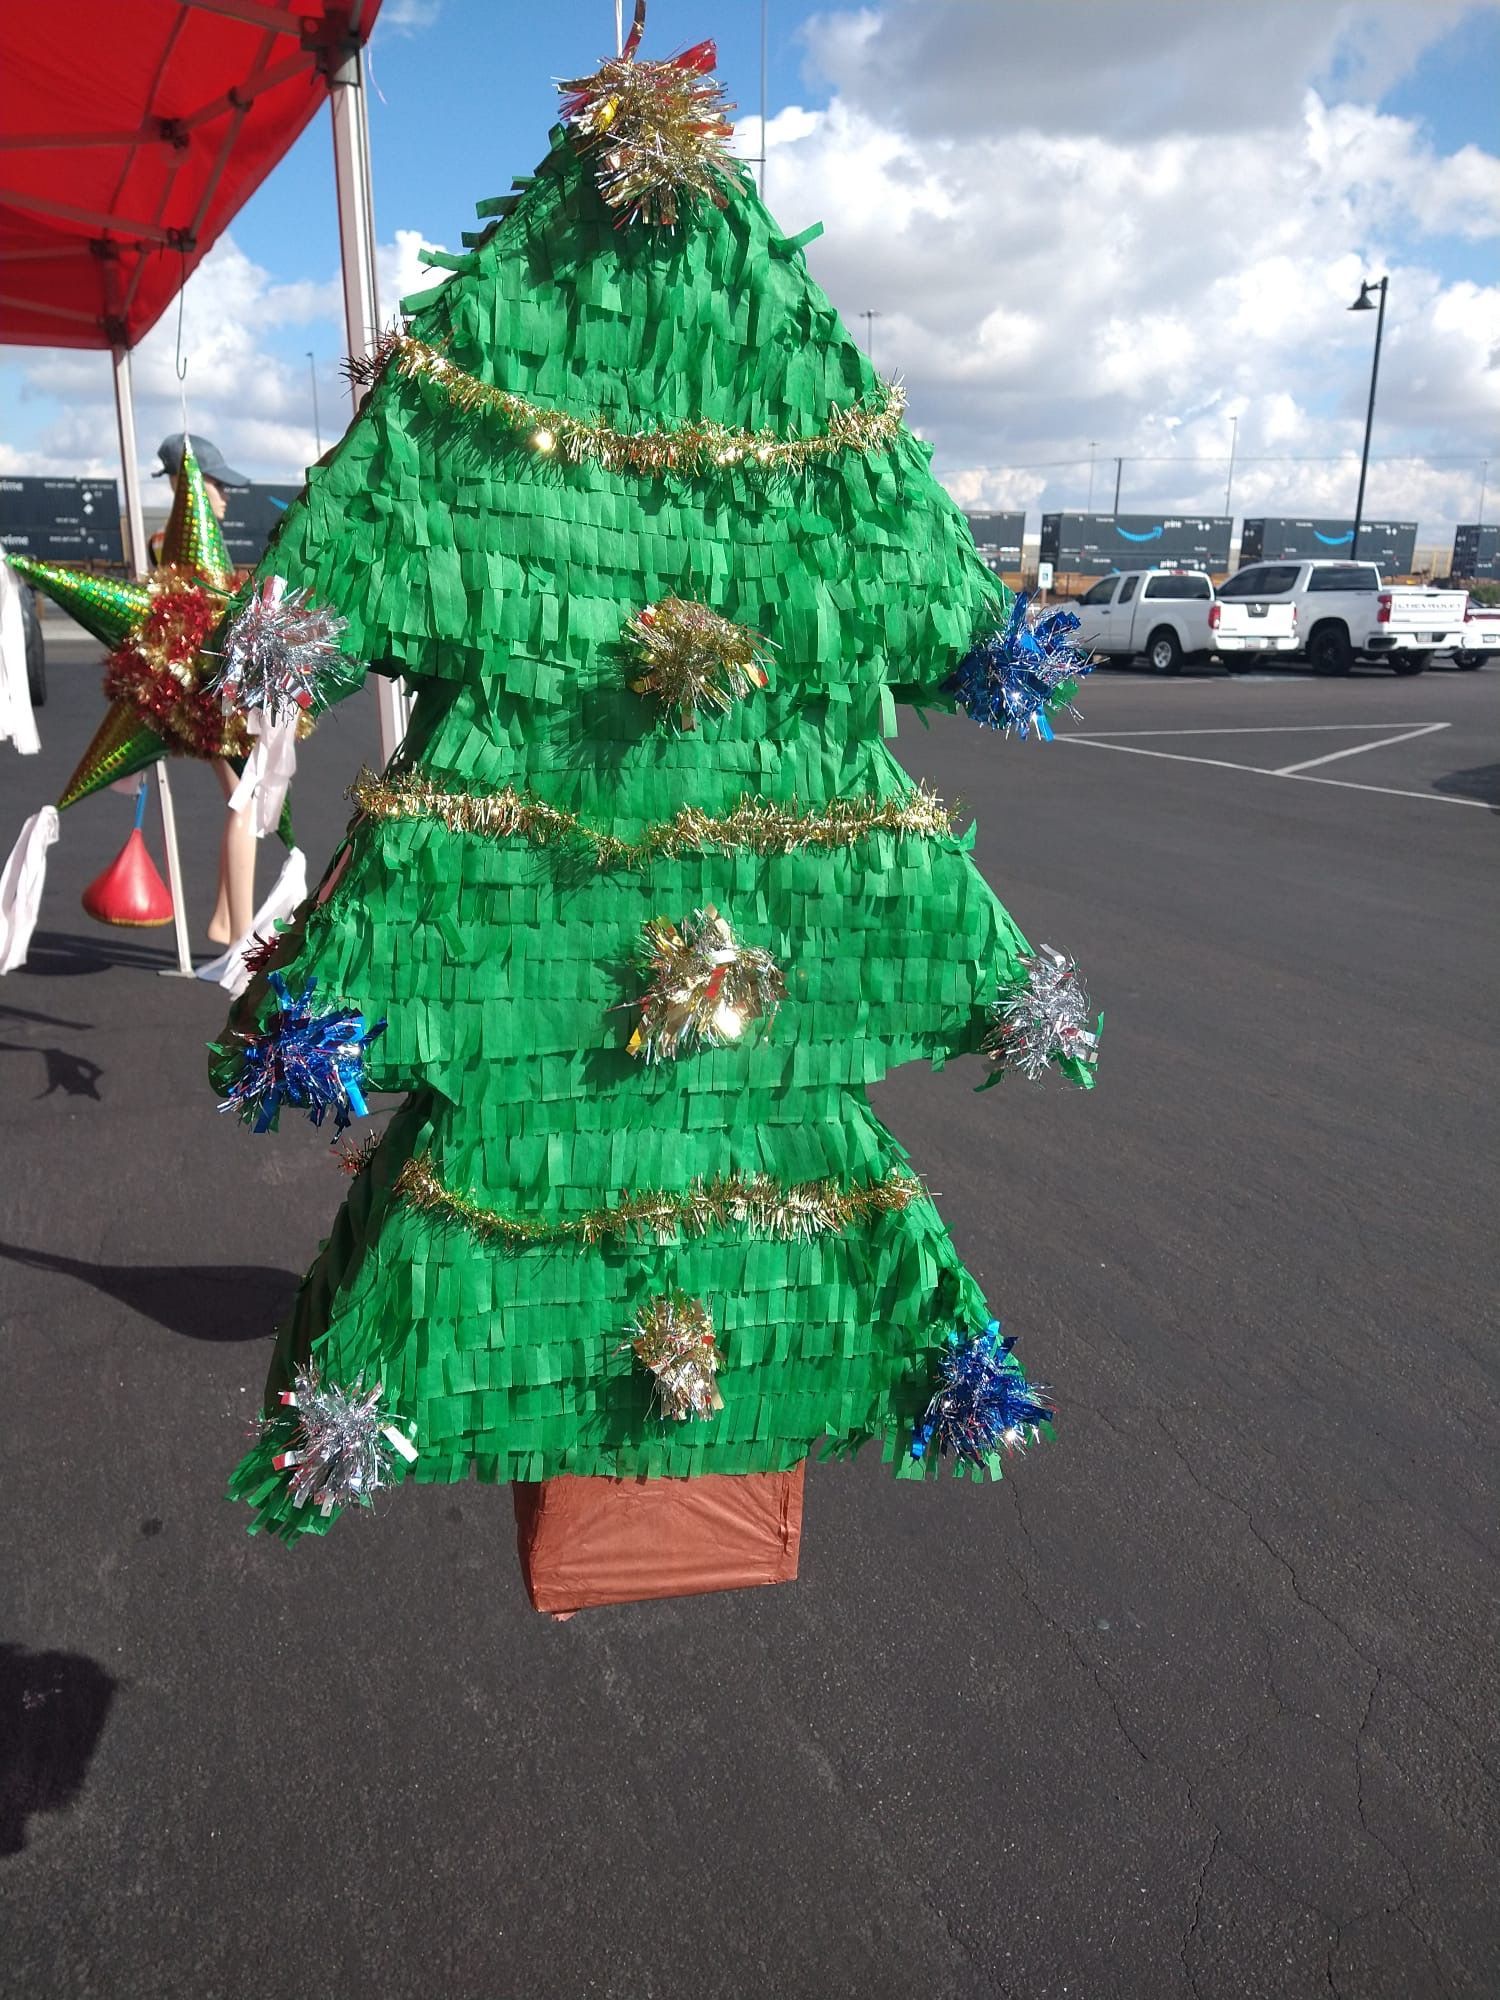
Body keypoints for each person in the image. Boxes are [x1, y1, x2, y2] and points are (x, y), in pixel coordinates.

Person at [153, 433, 257, 946]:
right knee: (247, 803)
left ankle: (225, 921)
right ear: (185, 486)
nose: (225, 495)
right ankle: (241, 936)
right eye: (216, 484)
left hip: (222, 692)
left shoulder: (196, 547)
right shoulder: (177, 549)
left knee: (244, 797)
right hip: (207, 697)